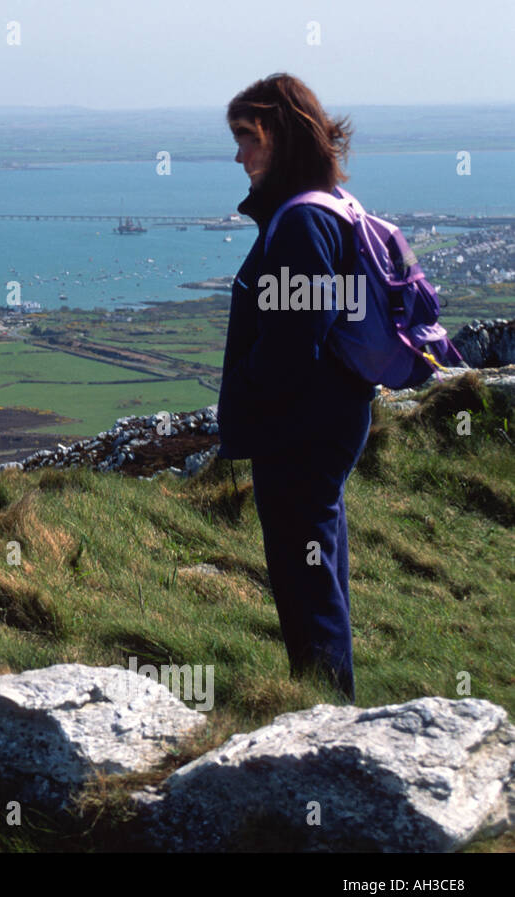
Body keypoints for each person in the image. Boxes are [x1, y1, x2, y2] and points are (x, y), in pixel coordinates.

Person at [217, 74, 376, 703]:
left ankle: (324, 715)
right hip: (327, 417)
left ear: (279, 136)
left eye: (246, 138)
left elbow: (292, 338)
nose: (239, 156)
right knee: (318, 562)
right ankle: (329, 704)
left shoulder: (302, 222)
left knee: (304, 574)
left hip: (300, 427)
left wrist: (251, 391)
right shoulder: (327, 205)